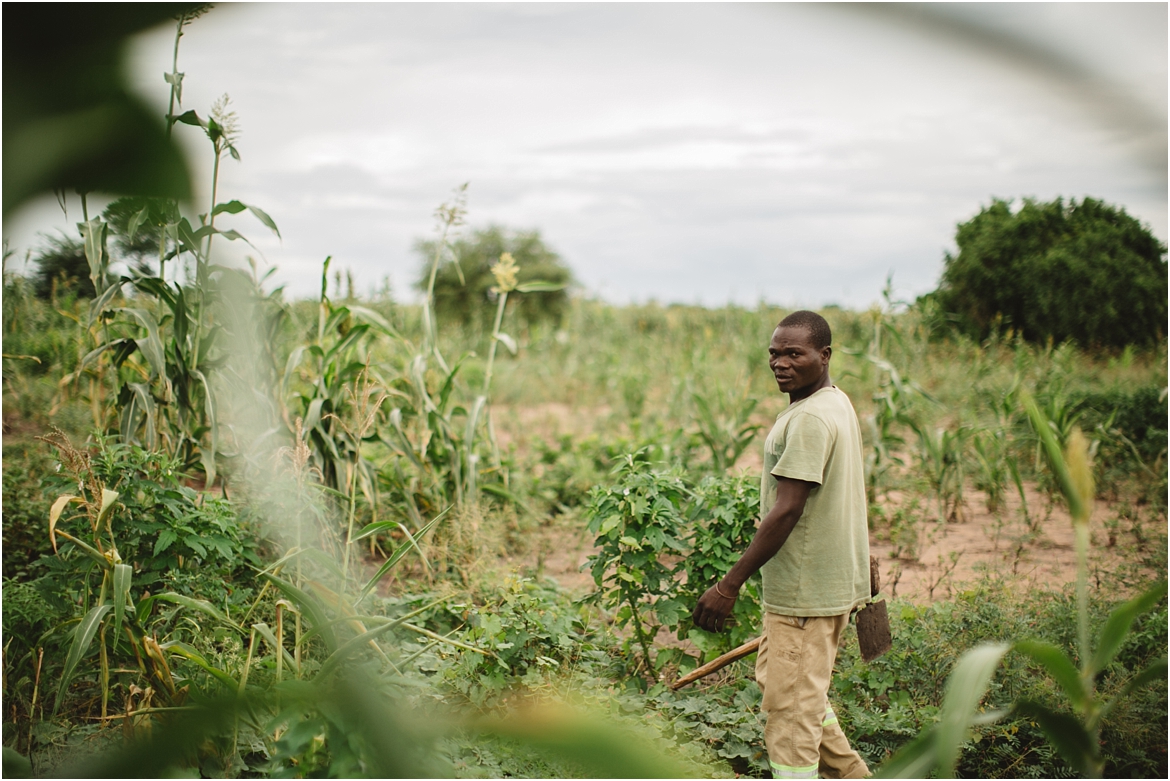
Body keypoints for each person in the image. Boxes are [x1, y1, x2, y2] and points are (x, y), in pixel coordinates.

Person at [692, 310, 871, 780]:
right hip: (817, 583)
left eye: (795, 353)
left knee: (791, 718)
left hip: (805, 591)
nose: (781, 363)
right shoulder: (833, 402)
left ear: (824, 355)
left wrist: (729, 586)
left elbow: (788, 509)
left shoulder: (811, 417)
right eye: (774, 354)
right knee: (795, 694)